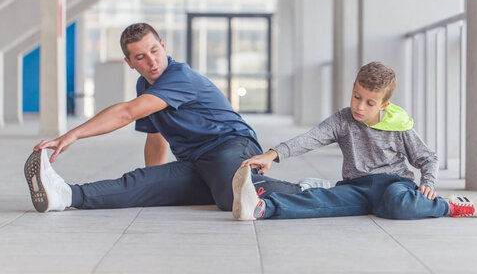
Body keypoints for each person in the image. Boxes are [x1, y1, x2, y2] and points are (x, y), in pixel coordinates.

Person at [24, 23, 305, 213]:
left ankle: (304, 190)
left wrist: (71, 135)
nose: (152, 62)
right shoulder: (144, 87)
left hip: (230, 147)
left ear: (163, 45)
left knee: (231, 198)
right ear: (130, 63)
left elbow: (126, 112)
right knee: (137, 184)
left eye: (155, 51)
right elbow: (156, 139)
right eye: (141, 57)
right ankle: (65, 195)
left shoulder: (179, 77)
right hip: (195, 162)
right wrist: (153, 178)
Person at [231, 61, 477, 221]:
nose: (360, 107)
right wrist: (272, 154)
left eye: (370, 102)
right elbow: (311, 138)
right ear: (353, 88)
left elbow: (427, 158)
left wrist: (428, 183)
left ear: (384, 104)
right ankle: (261, 208)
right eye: (356, 96)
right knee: (321, 200)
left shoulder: (399, 125)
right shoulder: (343, 120)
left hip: (394, 185)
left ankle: (449, 206)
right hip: (356, 186)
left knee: (397, 206)